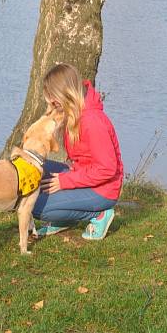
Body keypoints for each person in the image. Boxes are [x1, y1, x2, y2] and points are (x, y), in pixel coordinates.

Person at [32, 63, 123, 240]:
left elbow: (107, 169)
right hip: (82, 175)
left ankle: (98, 216)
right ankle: (63, 217)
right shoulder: (74, 112)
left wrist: (65, 182)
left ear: (63, 95)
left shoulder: (92, 121)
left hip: (103, 190)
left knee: (36, 206)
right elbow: (82, 155)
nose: (51, 104)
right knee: (35, 168)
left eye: (52, 100)